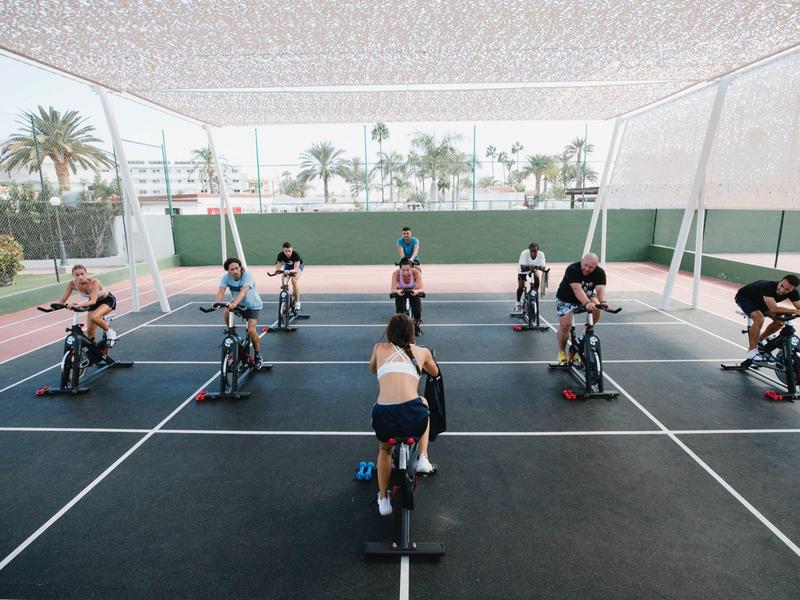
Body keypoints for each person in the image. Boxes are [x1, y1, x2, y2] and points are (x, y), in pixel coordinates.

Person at [369, 314, 439, 516]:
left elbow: (373, 368)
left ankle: (383, 498)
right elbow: (435, 373)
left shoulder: (379, 348)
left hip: (385, 417)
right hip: (412, 417)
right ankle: (423, 458)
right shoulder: (422, 351)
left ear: (389, 332)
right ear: (411, 333)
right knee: (424, 403)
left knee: (385, 450)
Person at [555, 253, 607, 365]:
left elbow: (600, 290)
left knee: (598, 308)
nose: (587, 269)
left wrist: (603, 302)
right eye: (585, 265)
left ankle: (583, 336)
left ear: (596, 266)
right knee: (566, 325)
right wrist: (587, 303)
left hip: (586, 296)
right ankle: (561, 352)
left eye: (591, 267)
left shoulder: (600, 273)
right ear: (582, 261)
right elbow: (577, 289)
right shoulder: (572, 269)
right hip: (566, 299)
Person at [734, 275, 800, 362]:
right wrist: (795, 311)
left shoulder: (794, 293)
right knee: (759, 318)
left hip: (763, 302)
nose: (782, 290)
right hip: (746, 298)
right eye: (782, 285)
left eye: (787, 289)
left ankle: (759, 341)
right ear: (780, 281)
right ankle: (752, 350)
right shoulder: (768, 286)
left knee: (779, 321)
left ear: (793, 289)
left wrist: (796, 311)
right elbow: (774, 309)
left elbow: (798, 307)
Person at [216, 257, 264, 368]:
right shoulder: (226, 277)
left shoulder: (247, 276)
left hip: (253, 306)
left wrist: (234, 303)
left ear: (240, 267)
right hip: (238, 304)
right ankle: (234, 334)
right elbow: (220, 291)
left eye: (236, 268)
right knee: (226, 311)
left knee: (251, 331)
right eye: (232, 269)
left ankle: (258, 355)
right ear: (228, 271)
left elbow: (243, 292)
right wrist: (217, 303)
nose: (235, 271)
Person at [57, 264, 117, 345]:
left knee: (94, 317)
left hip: (107, 300)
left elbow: (93, 301)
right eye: (77, 275)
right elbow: (63, 299)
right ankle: (94, 350)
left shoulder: (95, 282)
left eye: (82, 274)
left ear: (86, 273)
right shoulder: (72, 284)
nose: (80, 277)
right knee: (90, 331)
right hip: (93, 303)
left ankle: (110, 332)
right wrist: (55, 307)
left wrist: (76, 305)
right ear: (73, 275)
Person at [391, 257, 425, 332]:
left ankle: (417, 324)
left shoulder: (416, 273)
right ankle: (401, 327)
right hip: (401, 292)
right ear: (400, 269)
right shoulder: (395, 274)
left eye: (408, 270)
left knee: (417, 312)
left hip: (413, 292)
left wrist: (416, 292)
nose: (405, 272)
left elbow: (421, 289)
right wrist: (397, 292)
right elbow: (393, 290)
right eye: (403, 270)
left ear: (411, 268)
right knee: (399, 313)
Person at [515, 242, 547, 312]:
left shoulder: (541, 254)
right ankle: (518, 303)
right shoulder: (524, 253)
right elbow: (522, 267)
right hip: (523, 270)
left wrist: (539, 267)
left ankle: (534, 294)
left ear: (537, 251)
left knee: (537, 277)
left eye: (535, 251)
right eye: (531, 251)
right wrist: (532, 266)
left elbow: (543, 267)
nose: (533, 253)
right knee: (521, 286)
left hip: (533, 269)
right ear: (529, 250)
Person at [274, 242, 304, 311]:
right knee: (284, 282)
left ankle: (298, 302)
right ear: (283, 250)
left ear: (292, 249)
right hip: (288, 267)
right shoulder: (280, 255)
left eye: (289, 251)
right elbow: (278, 266)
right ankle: (286, 298)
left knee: (294, 280)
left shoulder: (296, 255)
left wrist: (289, 271)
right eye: (286, 251)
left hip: (298, 267)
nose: (288, 253)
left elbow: (296, 269)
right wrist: (278, 271)